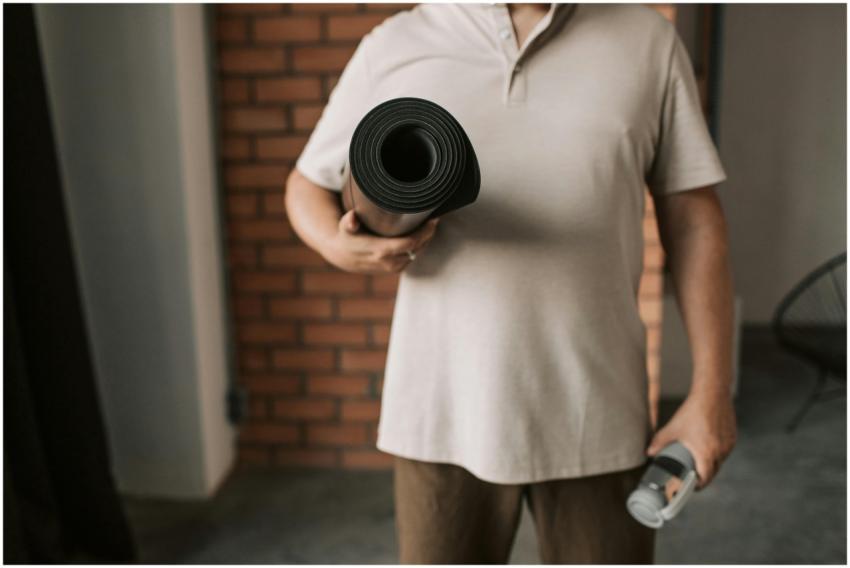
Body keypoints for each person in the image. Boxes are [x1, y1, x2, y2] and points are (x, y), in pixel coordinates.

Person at [285, 3, 737, 563]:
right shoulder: (396, 44)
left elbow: (693, 218)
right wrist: (335, 243)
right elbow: (306, 185)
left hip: (596, 413)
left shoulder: (648, 40)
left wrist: (712, 392)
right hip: (441, 415)